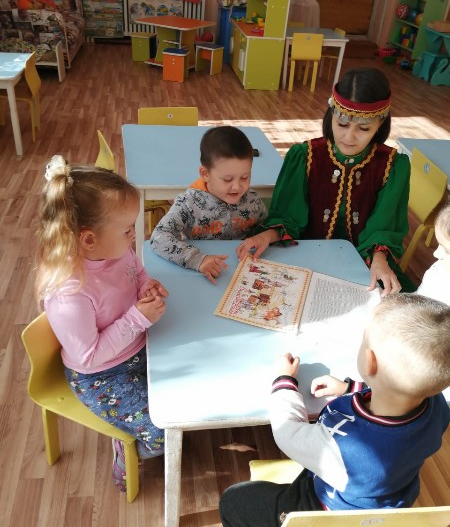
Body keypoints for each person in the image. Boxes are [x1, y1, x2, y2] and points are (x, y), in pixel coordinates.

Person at [220, 294, 450, 527]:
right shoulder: (437, 404)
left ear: (370, 361)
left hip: (324, 518)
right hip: (387, 504)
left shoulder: (344, 449)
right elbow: (400, 393)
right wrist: (350, 389)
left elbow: (287, 432)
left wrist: (284, 381)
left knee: (233, 503)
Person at [35, 155, 169, 492]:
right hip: (101, 376)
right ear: (88, 239)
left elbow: (136, 271)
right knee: (164, 429)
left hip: (139, 347)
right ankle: (129, 451)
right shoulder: (69, 290)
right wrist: (138, 317)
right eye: (127, 230)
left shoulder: (116, 250)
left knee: (187, 398)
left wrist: (146, 286)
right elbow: (88, 356)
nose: (134, 235)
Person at [238, 67, 413, 295]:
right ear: (331, 115)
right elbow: (288, 216)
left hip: (364, 263)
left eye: (364, 128)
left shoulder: (393, 166)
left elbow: (384, 225)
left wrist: (379, 258)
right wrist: (267, 235)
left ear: (380, 123)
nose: (349, 137)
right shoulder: (305, 156)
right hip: (304, 257)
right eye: (342, 124)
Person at [150, 126, 267, 283]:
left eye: (245, 177)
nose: (237, 187)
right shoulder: (188, 204)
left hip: (243, 276)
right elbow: (158, 237)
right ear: (205, 174)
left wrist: (261, 237)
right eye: (227, 179)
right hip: (200, 276)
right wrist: (197, 259)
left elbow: (269, 227)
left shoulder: (253, 201)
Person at [417, 204, 450, 305]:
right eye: (439, 244)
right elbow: (420, 294)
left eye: (447, 251)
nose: (436, 254)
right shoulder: (439, 268)